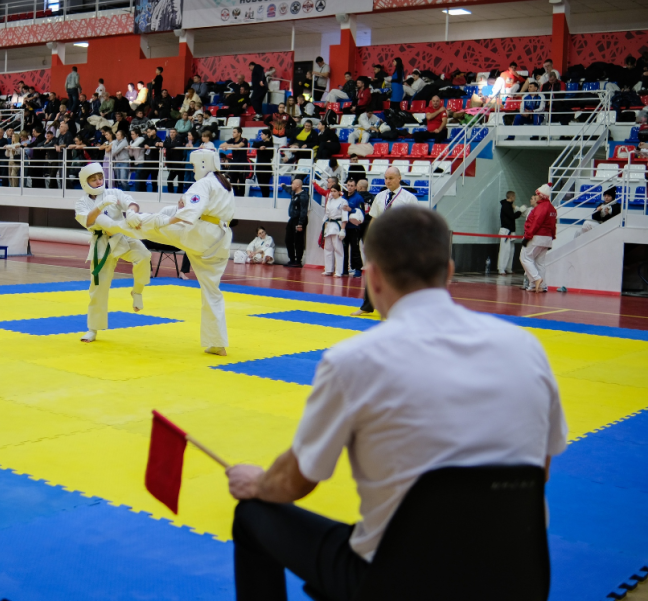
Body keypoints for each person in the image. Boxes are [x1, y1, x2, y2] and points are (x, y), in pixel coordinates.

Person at [226, 206, 568, 601]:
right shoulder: (526, 348)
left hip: (398, 584)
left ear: (372, 277)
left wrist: (258, 482)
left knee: (253, 515)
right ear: (449, 271)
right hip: (517, 578)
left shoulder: (354, 361)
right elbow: (539, 470)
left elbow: (296, 481)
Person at [127, 150, 235, 355]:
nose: (193, 170)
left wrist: (166, 221)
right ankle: (217, 343)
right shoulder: (225, 185)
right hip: (220, 241)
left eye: (193, 166)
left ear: (202, 163)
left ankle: (123, 222)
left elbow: (190, 212)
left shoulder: (204, 183)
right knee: (212, 292)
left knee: (155, 224)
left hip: (200, 235)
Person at [74, 163, 151, 343]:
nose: (98, 181)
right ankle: (92, 329)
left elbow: (132, 203)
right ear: (85, 182)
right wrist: (101, 205)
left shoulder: (114, 192)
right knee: (98, 289)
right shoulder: (82, 203)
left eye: (100, 178)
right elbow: (88, 220)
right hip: (102, 243)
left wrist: (131, 213)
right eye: (93, 179)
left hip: (122, 236)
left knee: (144, 255)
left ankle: (137, 291)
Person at [351, 166, 419, 316]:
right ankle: (367, 306)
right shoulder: (380, 196)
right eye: (386, 178)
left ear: (399, 178)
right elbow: (374, 219)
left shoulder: (409, 198)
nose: (388, 181)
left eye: (391, 178)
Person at [520, 184, 557, 292]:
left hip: (537, 237)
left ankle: (536, 279)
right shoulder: (552, 209)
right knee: (540, 262)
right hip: (547, 238)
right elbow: (553, 226)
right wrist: (552, 238)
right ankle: (541, 286)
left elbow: (536, 223)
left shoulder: (541, 207)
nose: (536, 196)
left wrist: (527, 237)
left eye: (537, 195)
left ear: (541, 195)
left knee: (525, 258)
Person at [321, 185, 348, 277]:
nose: (332, 193)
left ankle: (338, 271)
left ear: (339, 192)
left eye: (335, 191)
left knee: (338, 249)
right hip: (329, 225)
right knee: (327, 248)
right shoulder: (330, 201)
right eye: (331, 191)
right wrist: (324, 225)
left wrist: (343, 230)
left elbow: (344, 217)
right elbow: (326, 214)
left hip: (337, 225)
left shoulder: (343, 201)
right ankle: (328, 269)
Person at [341, 178, 365, 277]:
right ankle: (344, 269)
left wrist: (351, 210)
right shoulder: (343, 197)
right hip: (344, 227)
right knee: (344, 248)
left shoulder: (359, 198)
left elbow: (362, 213)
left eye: (352, 186)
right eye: (348, 185)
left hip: (354, 228)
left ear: (355, 187)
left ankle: (358, 269)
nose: (350, 187)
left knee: (355, 248)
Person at [497, 191, 524, 275]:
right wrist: (520, 211)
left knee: (511, 250)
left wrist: (517, 209)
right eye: (514, 196)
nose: (515, 198)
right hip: (506, 231)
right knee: (505, 250)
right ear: (511, 196)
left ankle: (508, 268)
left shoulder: (510, 205)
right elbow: (512, 216)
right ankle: (501, 268)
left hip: (511, 230)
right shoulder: (506, 206)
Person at [285, 178, 309, 267]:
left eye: (293, 183)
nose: (291, 185)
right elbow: (288, 190)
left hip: (299, 219)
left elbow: (303, 211)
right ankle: (292, 259)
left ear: (298, 185)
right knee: (288, 239)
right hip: (292, 218)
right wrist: (283, 186)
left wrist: (300, 223)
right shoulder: (294, 193)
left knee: (298, 240)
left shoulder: (303, 196)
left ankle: (298, 260)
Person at [252, 128, 276, 199]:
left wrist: (260, 146)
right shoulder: (261, 143)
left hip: (266, 166)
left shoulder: (270, 144)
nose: (261, 135)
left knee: (265, 184)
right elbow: (254, 144)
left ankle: (266, 198)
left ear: (267, 135)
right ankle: (264, 197)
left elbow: (264, 145)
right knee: (261, 184)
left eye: (262, 134)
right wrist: (260, 147)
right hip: (259, 165)